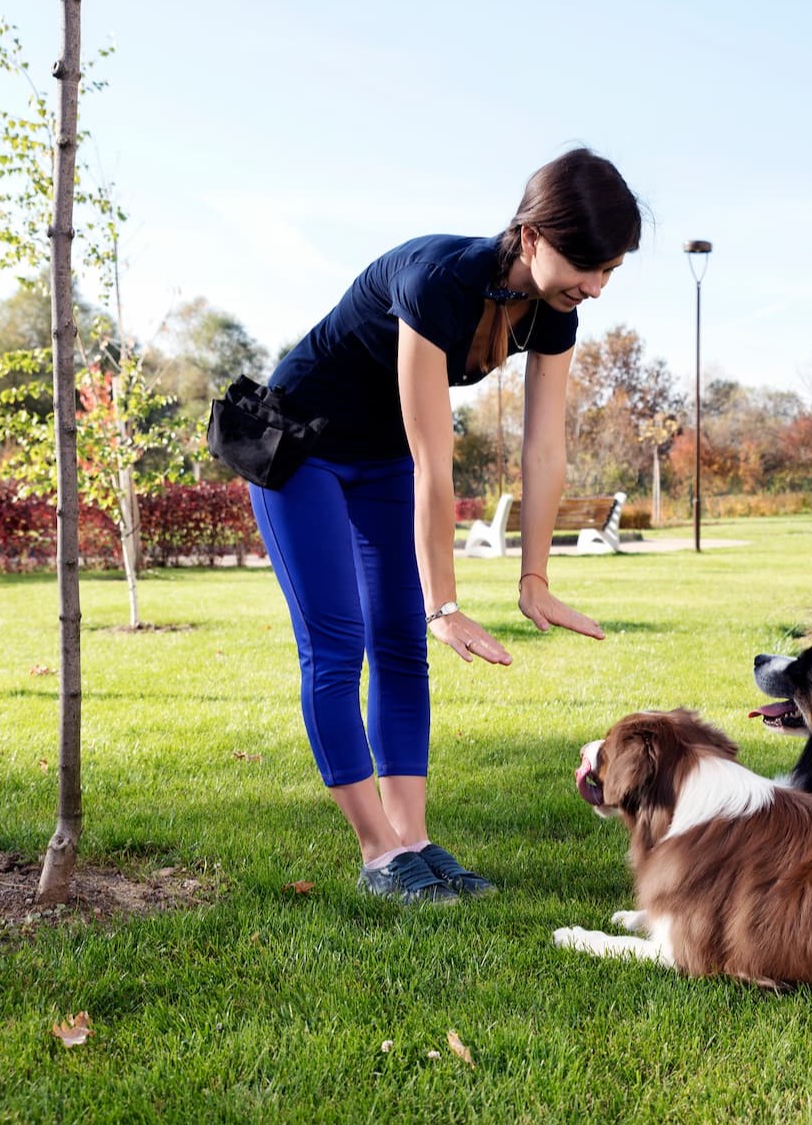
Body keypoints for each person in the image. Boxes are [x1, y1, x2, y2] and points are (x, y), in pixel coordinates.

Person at [249, 148, 640, 904]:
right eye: (586, 265)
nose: (595, 286)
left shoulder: (554, 313)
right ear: (532, 236)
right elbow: (436, 460)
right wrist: (446, 605)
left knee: (401, 646)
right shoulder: (438, 281)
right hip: (300, 447)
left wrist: (535, 578)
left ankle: (414, 840)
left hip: (380, 457)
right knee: (338, 644)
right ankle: (378, 852)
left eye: (609, 271)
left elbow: (544, 449)